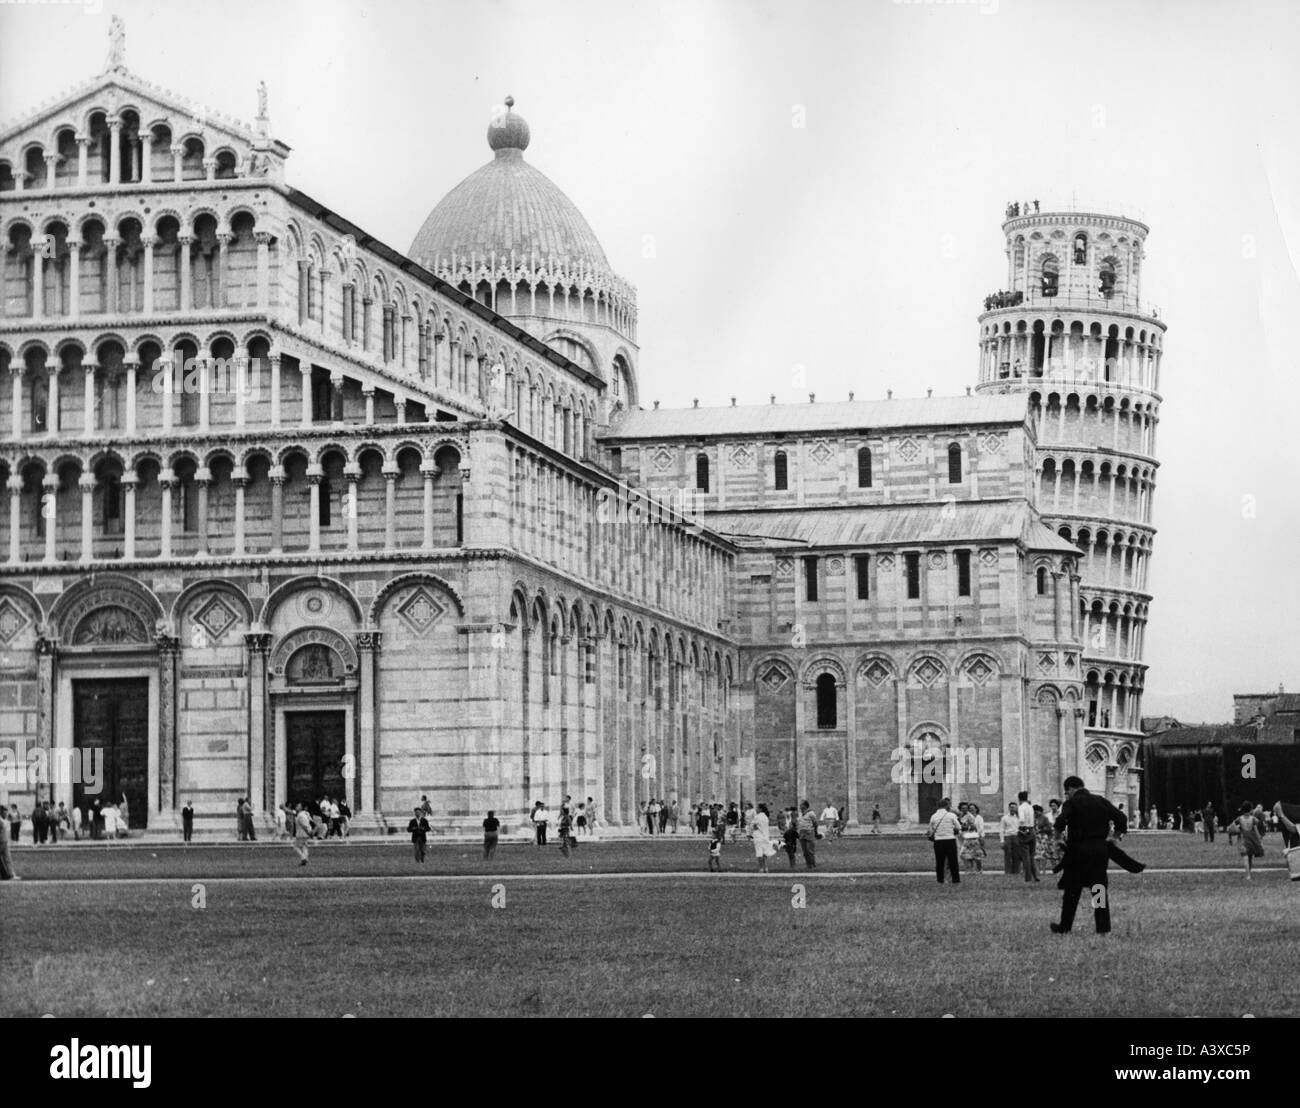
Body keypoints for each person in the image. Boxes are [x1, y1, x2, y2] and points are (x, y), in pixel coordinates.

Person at [1050, 775, 1129, 934]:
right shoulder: (1100, 801)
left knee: (1072, 889)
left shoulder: (1072, 803)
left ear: (1071, 789)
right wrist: (1114, 837)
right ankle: (1102, 927)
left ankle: (1065, 926)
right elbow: (1121, 817)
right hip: (1100, 850)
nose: (1067, 795)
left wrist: (1058, 839)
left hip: (1078, 850)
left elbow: (1060, 821)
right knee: (1098, 888)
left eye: (1067, 792)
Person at [928, 797, 962, 884]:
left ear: (937, 806)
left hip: (938, 841)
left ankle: (940, 879)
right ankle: (955, 880)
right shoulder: (951, 815)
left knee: (939, 861)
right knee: (953, 861)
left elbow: (931, 830)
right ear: (947, 806)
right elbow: (958, 827)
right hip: (950, 839)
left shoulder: (933, 816)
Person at [1230, 803, 1264, 879]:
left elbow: (1232, 825)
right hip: (1251, 840)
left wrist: (1236, 831)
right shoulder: (1253, 819)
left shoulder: (1239, 818)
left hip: (1242, 839)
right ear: (1250, 809)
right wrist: (1260, 839)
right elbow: (1256, 828)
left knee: (1245, 857)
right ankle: (1249, 873)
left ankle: (1248, 875)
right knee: (1250, 858)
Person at [1017, 790, 1039, 883]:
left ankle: (1028, 877)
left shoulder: (1021, 807)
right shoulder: (1030, 807)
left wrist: (1020, 829)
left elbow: (1021, 819)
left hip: (1024, 830)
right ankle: (1035, 875)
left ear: (1019, 798)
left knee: (1025, 856)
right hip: (1032, 830)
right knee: (1031, 855)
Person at [959, 802, 984, 874]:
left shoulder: (974, 817)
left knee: (976, 855)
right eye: (969, 809)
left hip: (974, 838)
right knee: (967, 855)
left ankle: (979, 869)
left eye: (972, 809)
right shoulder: (964, 816)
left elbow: (977, 828)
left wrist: (980, 836)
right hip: (966, 838)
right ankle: (970, 869)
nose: (971, 810)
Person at [750, 803, 775, 873]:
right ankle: (765, 867)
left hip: (758, 836)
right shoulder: (766, 817)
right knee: (764, 853)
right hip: (765, 836)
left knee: (759, 853)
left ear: (760, 809)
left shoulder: (757, 817)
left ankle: (761, 868)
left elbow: (752, 826)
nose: (756, 809)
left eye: (757, 808)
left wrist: (752, 830)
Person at [999, 802, 1020, 875]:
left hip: (1016, 836)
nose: (1012, 809)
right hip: (1008, 836)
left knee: (1016, 855)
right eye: (1011, 807)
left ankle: (1016, 871)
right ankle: (1008, 871)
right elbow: (1002, 829)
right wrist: (1002, 841)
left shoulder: (1019, 818)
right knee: (1008, 855)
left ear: (1016, 808)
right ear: (1009, 808)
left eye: (1014, 807)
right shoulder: (1004, 818)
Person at [795, 800, 818, 868]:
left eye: (801, 805)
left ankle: (813, 864)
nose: (800, 806)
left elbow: (815, 823)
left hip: (809, 832)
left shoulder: (811, 813)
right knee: (805, 851)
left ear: (805, 805)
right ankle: (808, 865)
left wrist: (815, 832)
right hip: (802, 833)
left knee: (810, 849)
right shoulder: (801, 814)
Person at [0, 805, 17, 880]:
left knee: (8, 859)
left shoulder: (3, 820)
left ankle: (11, 874)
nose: (6, 814)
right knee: (7, 859)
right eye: (5, 813)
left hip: (4, 842)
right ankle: (9, 875)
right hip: (1, 842)